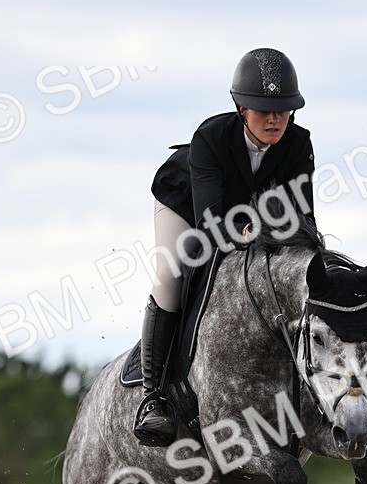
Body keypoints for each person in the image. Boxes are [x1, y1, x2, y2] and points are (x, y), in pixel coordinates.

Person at [132, 47, 316, 446]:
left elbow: (302, 221)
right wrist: (262, 232)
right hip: (185, 206)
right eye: (263, 110)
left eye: (283, 110)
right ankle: (153, 398)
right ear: (239, 108)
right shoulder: (211, 137)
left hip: (250, 223)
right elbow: (211, 224)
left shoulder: (299, 144)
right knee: (173, 273)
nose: (274, 119)